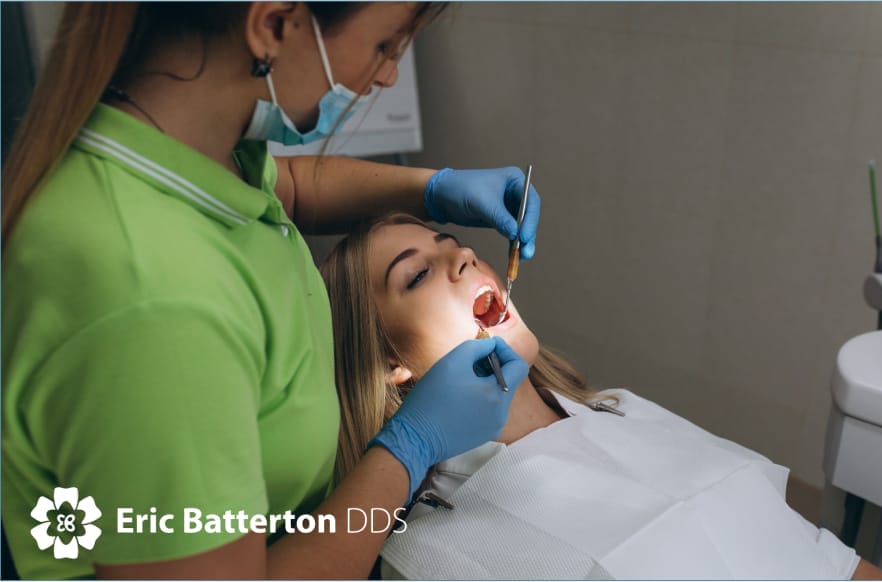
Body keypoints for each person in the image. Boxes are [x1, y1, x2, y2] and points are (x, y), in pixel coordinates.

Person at [1, 3, 540, 579]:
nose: (386, 75)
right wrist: (407, 450)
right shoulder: (151, 303)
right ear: (273, 23)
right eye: (385, 45)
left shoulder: (187, 143)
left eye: (446, 240)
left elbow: (288, 185)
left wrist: (432, 188)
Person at [320, 213, 882, 580]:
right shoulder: (425, 553)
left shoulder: (619, 407)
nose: (464, 257)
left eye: (455, 244)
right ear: (390, 364)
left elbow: (830, 561)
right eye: (416, 276)